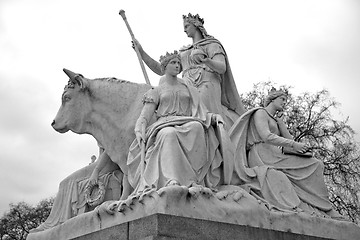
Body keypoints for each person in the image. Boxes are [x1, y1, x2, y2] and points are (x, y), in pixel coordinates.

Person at [126, 51, 233, 195]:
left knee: (197, 127)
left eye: (178, 63)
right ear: (164, 67)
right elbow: (144, 117)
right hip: (164, 124)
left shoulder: (188, 88)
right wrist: (139, 129)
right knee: (168, 134)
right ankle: (172, 179)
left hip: (187, 121)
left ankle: (192, 179)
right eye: (173, 63)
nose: (177, 66)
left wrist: (213, 117)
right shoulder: (156, 91)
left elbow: (201, 110)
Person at [228, 89, 343, 218]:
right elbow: (266, 136)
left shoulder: (276, 120)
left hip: (277, 155)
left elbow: (289, 143)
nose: (284, 103)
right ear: (273, 99)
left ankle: (323, 206)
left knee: (316, 164)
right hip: (262, 155)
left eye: (285, 101)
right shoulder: (260, 113)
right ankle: (320, 207)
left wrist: (282, 125)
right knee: (308, 167)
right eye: (282, 99)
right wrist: (293, 144)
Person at [132, 13, 245, 128]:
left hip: (207, 84)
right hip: (187, 86)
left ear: (196, 25)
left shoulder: (212, 45)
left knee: (203, 116)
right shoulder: (184, 51)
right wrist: (141, 52)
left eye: (186, 26)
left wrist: (206, 61)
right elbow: (161, 69)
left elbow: (222, 68)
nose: (184, 30)